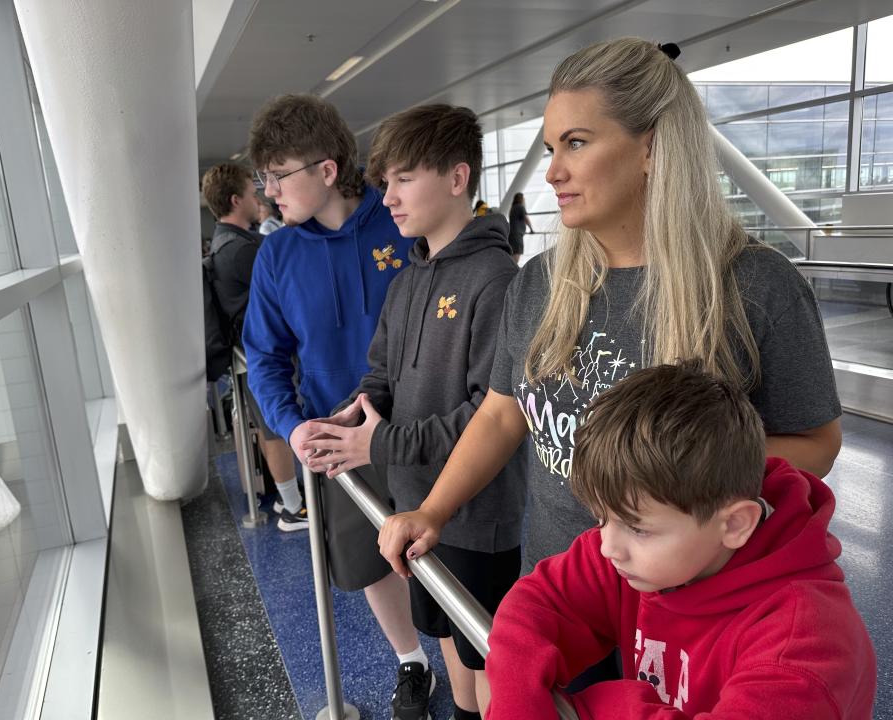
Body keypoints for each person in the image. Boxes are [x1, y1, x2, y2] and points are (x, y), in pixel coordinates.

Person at [378, 35, 842, 624]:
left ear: (651, 148)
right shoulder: (539, 284)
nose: (553, 172)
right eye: (550, 148)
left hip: (691, 612)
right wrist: (434, 510)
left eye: (575, 143)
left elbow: (818, 444)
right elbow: (501, 414)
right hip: (560, 589)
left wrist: (679, 475)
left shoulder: (754, 286)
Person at [484, 362, 876, 718]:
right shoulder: (644, 554)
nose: (607, 547)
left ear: (736, 524)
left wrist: (593, 710)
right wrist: (520, 701)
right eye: (602, 517)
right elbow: (539, 604)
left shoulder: (804, 645)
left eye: (637, 528)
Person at [302, 104, 524, 720]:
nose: (389, 198)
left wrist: (382, 445)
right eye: (384, 183)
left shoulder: (498, 281)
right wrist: (345, 422)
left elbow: (492, 413)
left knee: (486, 656)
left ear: (457, 179)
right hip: (413, 506)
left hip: (476, 516)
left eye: (403, 179)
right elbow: (380, 380)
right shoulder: (407, 279)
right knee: (449, 641)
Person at [240, 94, 423, 713]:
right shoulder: (277, 256)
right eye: (262, 178)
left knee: (446, 553)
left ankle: (464, 655)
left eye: (278, 175)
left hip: (425, 428)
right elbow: (263, 357)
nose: (267, 193)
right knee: (370, 562)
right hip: (338, 440)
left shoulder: (400, 219)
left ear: (325, 169)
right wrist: (292, 428)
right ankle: (411, 660)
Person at [200, 162, 303, 528]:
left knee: (267, 425)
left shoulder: (227, 243)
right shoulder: (241, 251)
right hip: (260, 354)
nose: (257, 196)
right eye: (250, 191)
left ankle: (289, 500)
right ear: (234, 199)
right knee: (274, 428)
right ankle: (293, 507)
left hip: (247, 356)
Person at [507, 192, 533, 262]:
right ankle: (514, 271)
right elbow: (526, 219)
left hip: (511, 233)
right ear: (521, 199)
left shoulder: (513, 208)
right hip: (517, 234)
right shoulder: (520, 207)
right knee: (517, 253)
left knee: (513, 253)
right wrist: (531, 229)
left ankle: (511, 270)